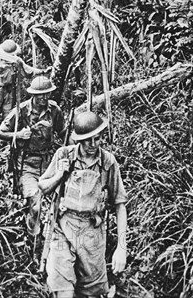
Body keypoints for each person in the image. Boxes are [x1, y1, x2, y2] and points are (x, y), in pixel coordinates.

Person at [38, 110, 127, 298]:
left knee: (92, 291)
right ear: (78, 139)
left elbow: (120, 204)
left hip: (92, 233)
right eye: (88, 140)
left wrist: (121, 247)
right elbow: (42, 186)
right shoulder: (64, 155)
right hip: (63, 227)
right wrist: (59, 175)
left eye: (97, 139)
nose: (93, 144)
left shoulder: (108, 162)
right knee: (61, 289)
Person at [0, 76, 66, 236]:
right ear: (33, 95)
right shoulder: (20, 111)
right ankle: (32, 237)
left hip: (48, 163)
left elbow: (62, 133)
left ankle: (49, 237)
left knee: (57, 203)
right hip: (27, 163)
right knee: (35, 204)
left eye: (47, 94)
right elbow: (1, 133)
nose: (44, 98)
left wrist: (74, 149)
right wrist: (19, 134)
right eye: (40, 94)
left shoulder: (54, 111)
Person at [0, 39, 49, 123]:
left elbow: (29, 70)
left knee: (8, 116)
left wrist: (43, 71)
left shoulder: (17, 61)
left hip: (10, 92)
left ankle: (3, 132)